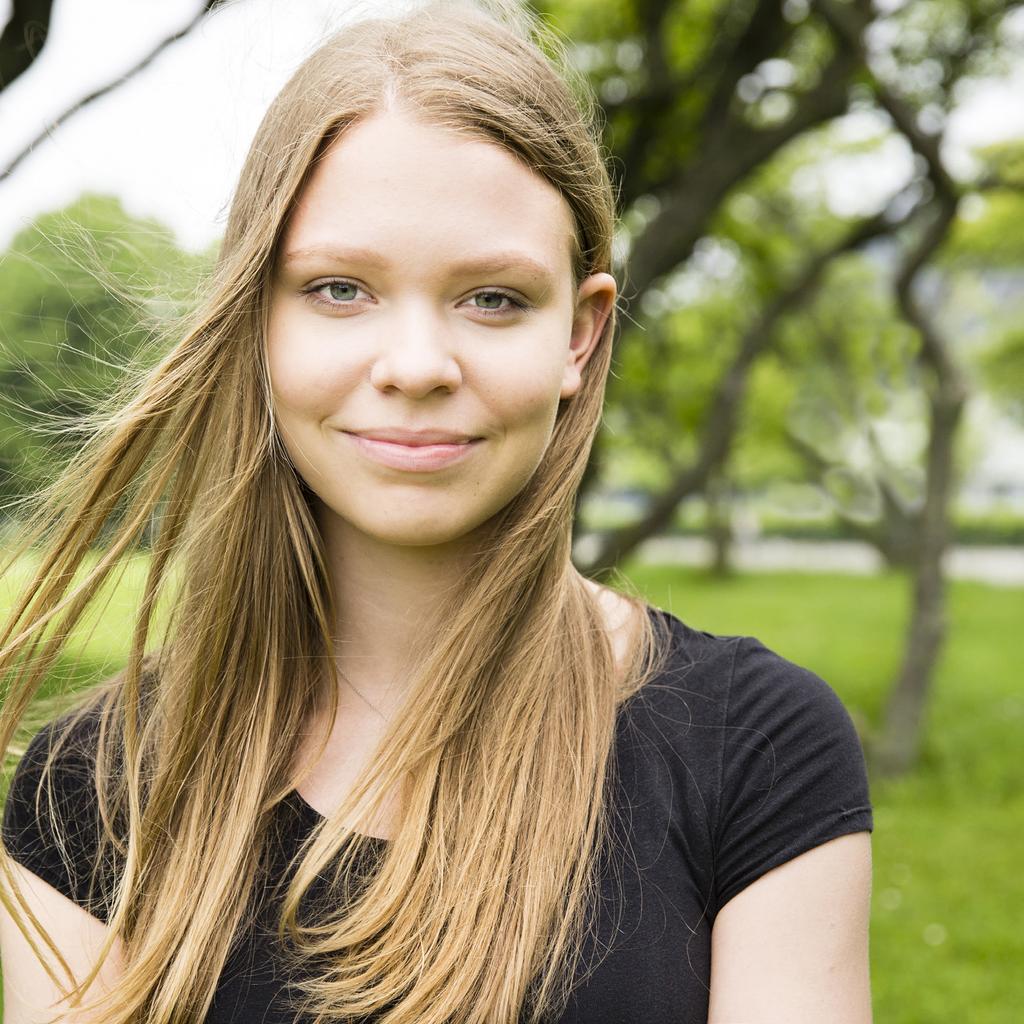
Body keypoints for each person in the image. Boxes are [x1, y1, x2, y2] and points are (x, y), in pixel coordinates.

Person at [0, 1, 874, 1021]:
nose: (415, 366)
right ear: (257, 321)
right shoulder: (94, 781)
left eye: (492, 298)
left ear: (580, 336)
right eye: (338, 289)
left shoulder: (757, 746)